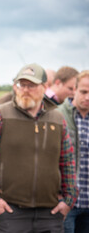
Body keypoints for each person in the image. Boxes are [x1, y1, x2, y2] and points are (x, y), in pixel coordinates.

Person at [0, 63, 78, 232]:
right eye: (21, 85)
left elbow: (67, 162)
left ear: (44, 87)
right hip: (10, 211)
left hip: (50, 213)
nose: (25, 89)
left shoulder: (57, 118)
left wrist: (68, 201)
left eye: (31, 85)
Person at [57, 70, 89, 233]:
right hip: (67, 202)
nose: (87, 97)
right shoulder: (57, 115)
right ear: (74, 89)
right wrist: (57, 195)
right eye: (84, 92)